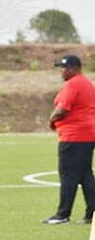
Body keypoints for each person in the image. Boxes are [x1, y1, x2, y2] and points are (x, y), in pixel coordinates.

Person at [42, 55, 95, 225]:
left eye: (64, 68)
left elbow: (62, 109)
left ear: (73, 68)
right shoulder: (86, 83)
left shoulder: (73, 84)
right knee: (85, 174)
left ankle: (63, 214)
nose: (61, 71)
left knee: (68, 174)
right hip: (88, 134)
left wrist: (51, 120)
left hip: (74, 136)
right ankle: (91, 212)